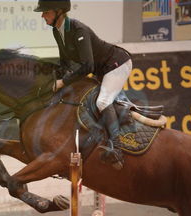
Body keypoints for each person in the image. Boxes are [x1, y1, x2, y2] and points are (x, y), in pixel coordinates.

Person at [34, 0, 132, 169]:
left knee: (103, 102)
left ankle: (117, 148)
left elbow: (88, 66)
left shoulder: (78, 29)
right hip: (101, 71)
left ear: (59, 11)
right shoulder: (57, 32)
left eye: (46, 12)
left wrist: (63, 81)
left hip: (117, 64)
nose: (42, 15)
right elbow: (65, 64)